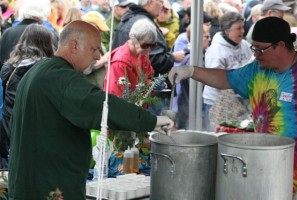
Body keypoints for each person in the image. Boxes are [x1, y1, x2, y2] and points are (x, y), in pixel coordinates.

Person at [8, 20, 173, 200]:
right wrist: (152, 121)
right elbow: (104, 106)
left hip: (30, 182)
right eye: (94, 49)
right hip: (49, 187)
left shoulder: (39, 70)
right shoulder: (61, 78)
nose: (97, 56)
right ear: (74, 46)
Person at [168, 17, 297, 196]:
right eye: (254, 48)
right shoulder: (257, 70)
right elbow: (225, 78)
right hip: (264, 164)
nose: (256, 54)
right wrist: (192, 71)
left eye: (261, 49)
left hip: (295, 172)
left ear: (281, 45)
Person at [0, 24, 54, 170]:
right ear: (47, 44)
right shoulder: (49, 71)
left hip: (9, 131)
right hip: (39, 132)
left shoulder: (8, 68)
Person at [203, 11, 252, 131]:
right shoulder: (216, 50)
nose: (242, 32)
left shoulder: (245, 45)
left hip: (240, 102)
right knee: (219, 139)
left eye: (243, 27)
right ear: (227, 30)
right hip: (218, 102)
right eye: (238, 28)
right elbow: (214, 80)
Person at [111, 0, 185, 77]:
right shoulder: (144, 24)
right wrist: (172, 58)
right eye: (161, 2)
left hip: (129, 81)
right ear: (150, 3)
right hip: (134, 83)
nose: (162, 6)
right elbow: (154, 60)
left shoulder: (129, 18)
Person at [103, 18, 156, 97]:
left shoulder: (142, 54)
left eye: (152, 46)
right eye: (145, 45)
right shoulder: (120, 62)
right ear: (133, 38)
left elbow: (147, 77)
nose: (149, 49)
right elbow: (116, 95)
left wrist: (153, 85)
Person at [0, 0, 59, 69]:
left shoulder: (8, 33)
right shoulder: (51, 35)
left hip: (7, 77)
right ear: (46, 13)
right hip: (37, 77)